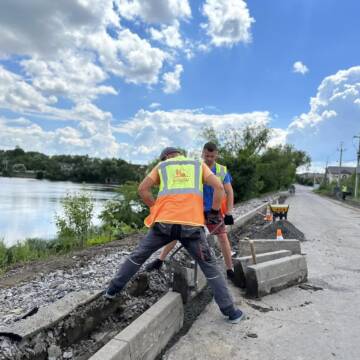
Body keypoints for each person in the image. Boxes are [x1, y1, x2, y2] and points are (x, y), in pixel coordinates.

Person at [104, 147, 245, 323]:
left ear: (165, 157)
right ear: (180, 154)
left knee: (138, 256)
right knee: (211, 267)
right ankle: (231, 312)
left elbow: (142, 189)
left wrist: (155, 208)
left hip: (164, 224)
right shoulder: (197, 165)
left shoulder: (162, 166)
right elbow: (219, 188)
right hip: (192, 227)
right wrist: (214, 212)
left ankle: (112, 291)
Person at [145, 142, 237, 282]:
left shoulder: (221, 170)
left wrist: (229, 212)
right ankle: (160, 260)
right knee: (176, 233)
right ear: (202, 153)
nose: (210, 158)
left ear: (216, 155)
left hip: (214, 211)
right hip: (194, 210)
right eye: (207, 155)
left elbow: (229, 192)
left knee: (223, 237)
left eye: (212, 156)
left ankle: (230, 269)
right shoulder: (194, 166)